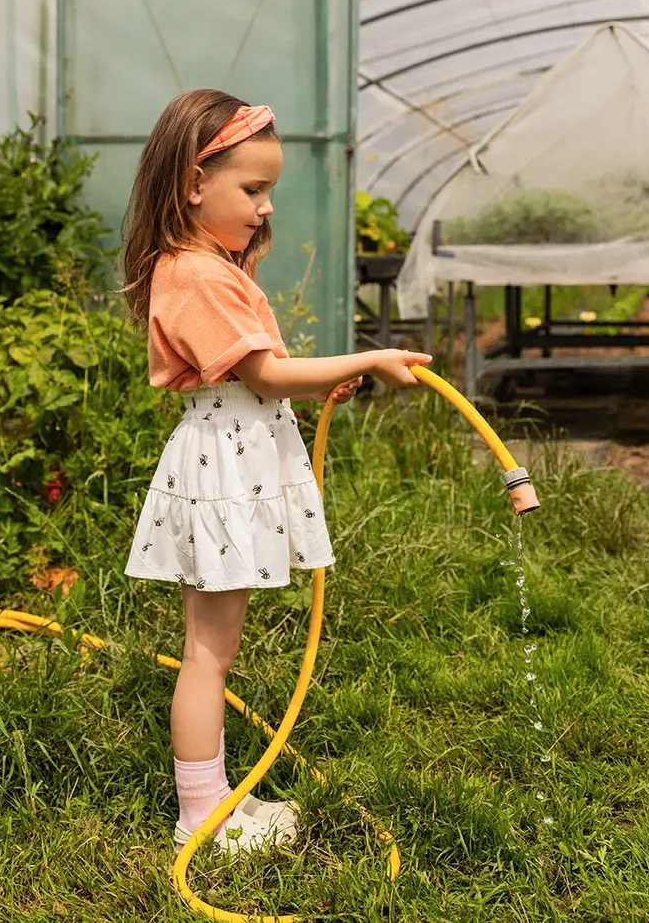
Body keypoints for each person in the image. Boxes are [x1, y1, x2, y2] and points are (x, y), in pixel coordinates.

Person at [117, 88, 433, 858]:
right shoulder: (196, 271)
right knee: (208, 653)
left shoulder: (203, 266)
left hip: (229, 457)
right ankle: (202, 818)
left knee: (213, 647)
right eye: (252, 189)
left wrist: (316, 378)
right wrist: (363, 358)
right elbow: (260, 374)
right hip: (224, 466)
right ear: (195, 183)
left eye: (269, 192)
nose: (265, 208)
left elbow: (260, 375)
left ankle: (219, 799)